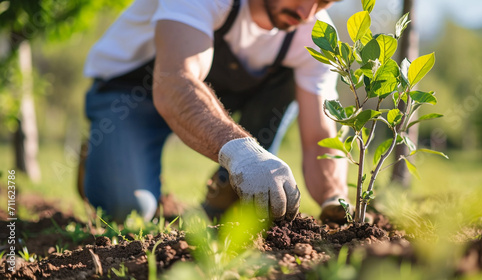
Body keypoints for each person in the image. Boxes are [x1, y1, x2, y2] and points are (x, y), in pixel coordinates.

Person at [81, 0, 348, 224]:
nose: (306, 13)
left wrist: (334, 200)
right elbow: (176, 83)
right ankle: (101, 151)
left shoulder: (317, 33)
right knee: (127, 209)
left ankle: (225, 194)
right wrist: (244, 155)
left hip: (219, 101)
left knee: (292, 79)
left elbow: (319, 137)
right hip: (132, 94)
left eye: (323, 1)